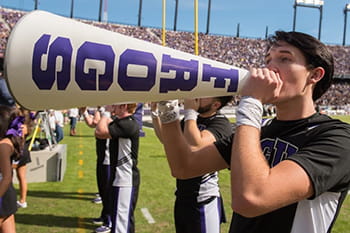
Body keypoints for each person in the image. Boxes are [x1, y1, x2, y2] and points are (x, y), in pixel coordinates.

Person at [156, 31, 350, 233]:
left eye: (284, 58)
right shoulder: (260, 128)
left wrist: (251, 102)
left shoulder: (338, 137)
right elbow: (184, 166)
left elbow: (251, 198)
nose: (270, 68)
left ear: (315, 75)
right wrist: (166, 104)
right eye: (268, 60)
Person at [151, 97, 233, 233]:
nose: (198, 96)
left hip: (203, 200)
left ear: (215, 105)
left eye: (205, 96)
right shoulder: (192, 119)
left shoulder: (221, 124)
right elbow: (167, 140)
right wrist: (155, 113)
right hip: (183, 196)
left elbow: (195, 145)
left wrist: (190, 112)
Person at [95, 103, 140, 233]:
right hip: (120, 178)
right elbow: (99, 125)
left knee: (122, 223)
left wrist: (106, 113)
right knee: (119, 219)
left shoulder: (128, 124)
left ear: (124, 106)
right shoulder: (122, 122)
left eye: (116, 105)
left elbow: (99, 131)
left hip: (125, 180)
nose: (113, 106)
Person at [80, 106, 112, 232]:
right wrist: (84, 112)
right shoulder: (104, 110)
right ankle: (105, 216)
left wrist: (102, 112)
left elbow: (98, 130)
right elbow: (92, 123)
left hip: (108, 158)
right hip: (102, 156)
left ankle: (109, 221)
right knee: (102, 188)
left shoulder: (109, 113)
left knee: (108, 190)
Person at [0, 105, 25, 233]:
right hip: (7, 193)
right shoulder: (9, 141)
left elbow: (6, 176)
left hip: (2, 194)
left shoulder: (3, 145)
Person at [12, 107, 35, 209]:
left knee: (8, 177)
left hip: (18, 151)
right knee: (21, 177)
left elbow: (17, 138)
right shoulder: (28, 126)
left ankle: (15, 199)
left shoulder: (21, 126)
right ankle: (22, 200)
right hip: (23, 150)